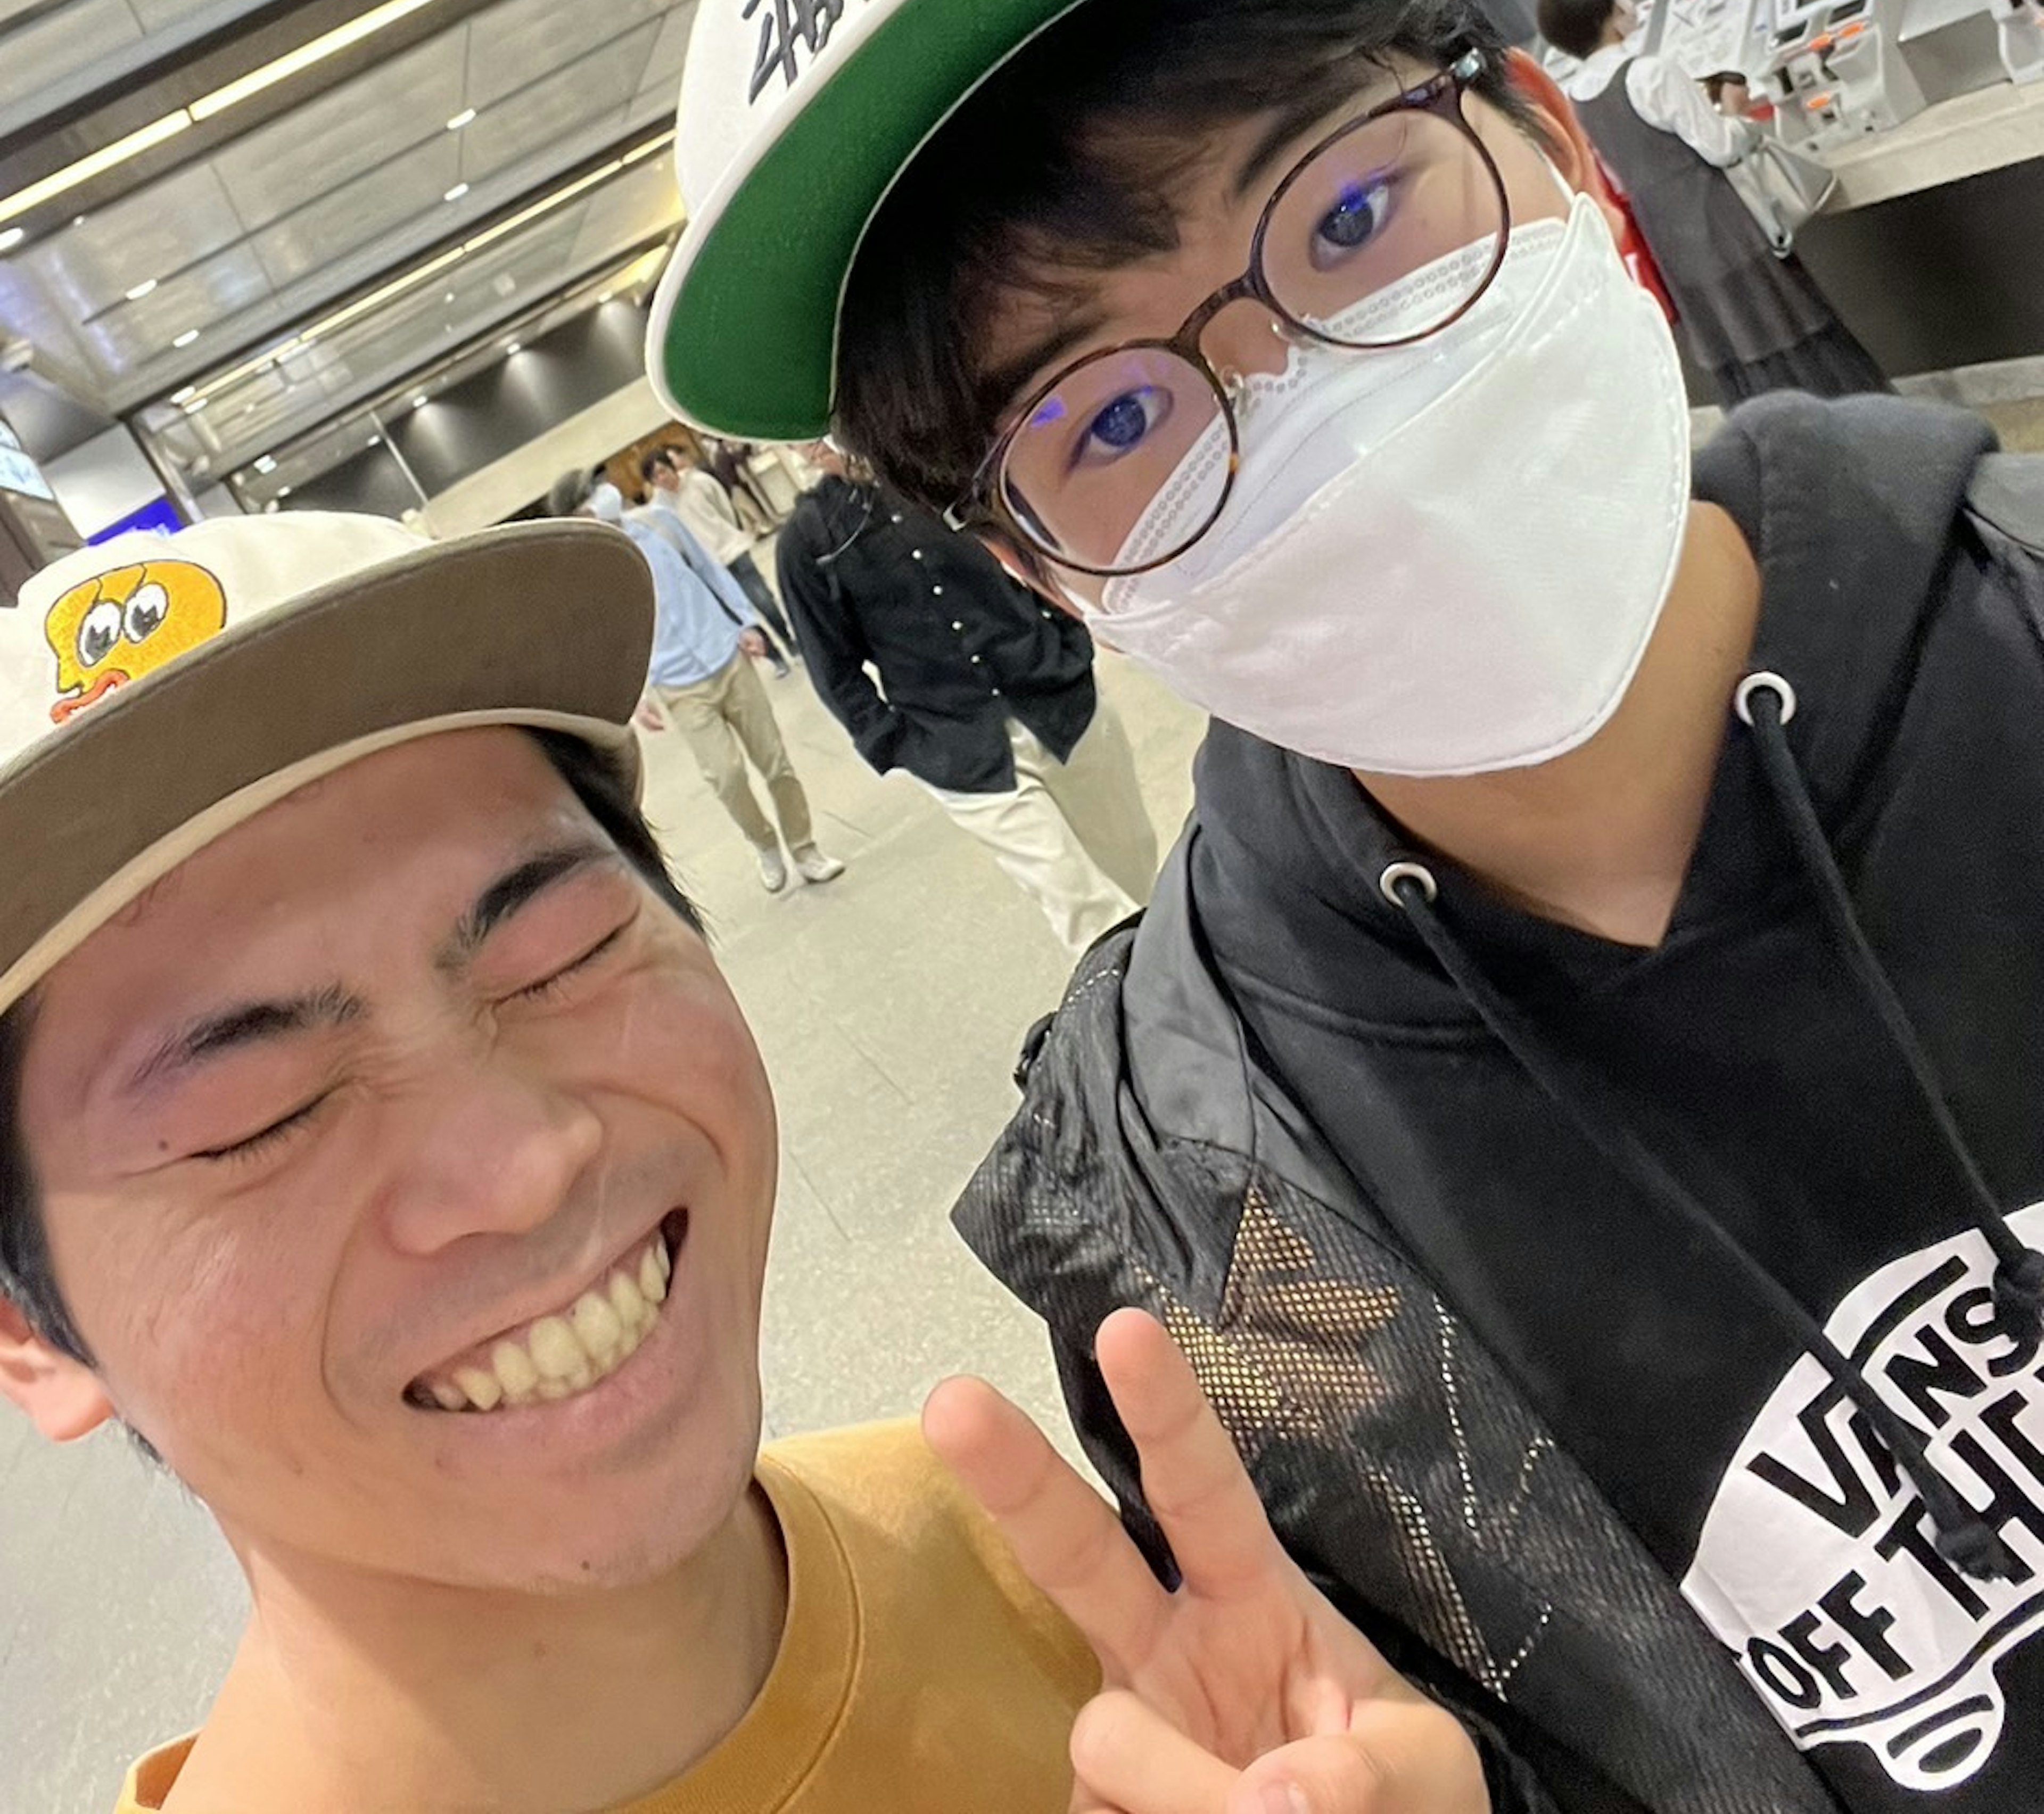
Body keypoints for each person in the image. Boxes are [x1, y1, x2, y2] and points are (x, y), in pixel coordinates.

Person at [649, 0, 2044, 1809]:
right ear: (1038, 573)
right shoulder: (1225, 1240)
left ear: (1549, 146)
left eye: (1354, 205)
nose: (1315, 402)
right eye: (1110, 421)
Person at [0, 513, 1487, 1814]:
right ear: (24, 1327)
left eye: (558, 952)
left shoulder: (1008, 1555)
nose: (523, 1161)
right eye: (257, 1109)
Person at [776, 443, 1157, 953]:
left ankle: (1185, 980)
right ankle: (1157, 1019)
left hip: (1058, 696)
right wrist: (901, 745)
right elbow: (833, 669)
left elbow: (1037, 550)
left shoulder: (942, 470)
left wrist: (1071, 638)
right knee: (1084, 909)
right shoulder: (808, 541)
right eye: (793, 437)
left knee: (1134, 865)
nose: (811, 442)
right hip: (959, 749)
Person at [1536, 0, 1888, 407]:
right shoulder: (1650, 72)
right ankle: (1856, 420)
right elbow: (1721, 146)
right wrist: (1736, 110)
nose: (1628, 0)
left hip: (1670, 242)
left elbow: (1619, 172)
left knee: (1733, 339)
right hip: (1721, 223)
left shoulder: (1579, 96)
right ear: (1607, 14)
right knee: (1785, 320)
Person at [545, 470, 839, 894]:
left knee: (775, 761)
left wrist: (745, 621)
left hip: (725, 652)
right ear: (579, 514)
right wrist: (636, 693)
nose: (604, 495)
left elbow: (710, 570)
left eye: (600, 487)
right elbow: (607, 636)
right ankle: (764, 844)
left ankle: (804, 846)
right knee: (726, 776)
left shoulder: (660, 522)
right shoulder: (593, 569)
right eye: (590, 497)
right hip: (678, 682)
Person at [642, 443, 797, 674]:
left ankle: (791, 642)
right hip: (708, 568)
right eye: (656, 478)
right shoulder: (659, 508)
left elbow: (725, 508)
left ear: (671, 467)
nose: (662, 479)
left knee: (763, 599)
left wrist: (728, 534)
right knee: (740, 616)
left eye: (663, 471)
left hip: (731, 550)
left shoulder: (699, 482)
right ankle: (775, 657)